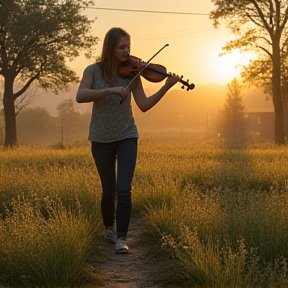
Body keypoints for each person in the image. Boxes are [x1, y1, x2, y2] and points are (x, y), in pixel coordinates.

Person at [76, 27, 181, 254]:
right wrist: (109, 90)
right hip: (101, 138)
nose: (127, 51)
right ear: (110, 48)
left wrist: (165, 87)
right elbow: (80, 95)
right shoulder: (92, 71)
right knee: (108, 189)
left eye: (128, 47)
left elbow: (143, 105)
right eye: (122, 47)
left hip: (127, 136)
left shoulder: (133, 74)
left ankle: (121, 239)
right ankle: (108, 229)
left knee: (124, 188)